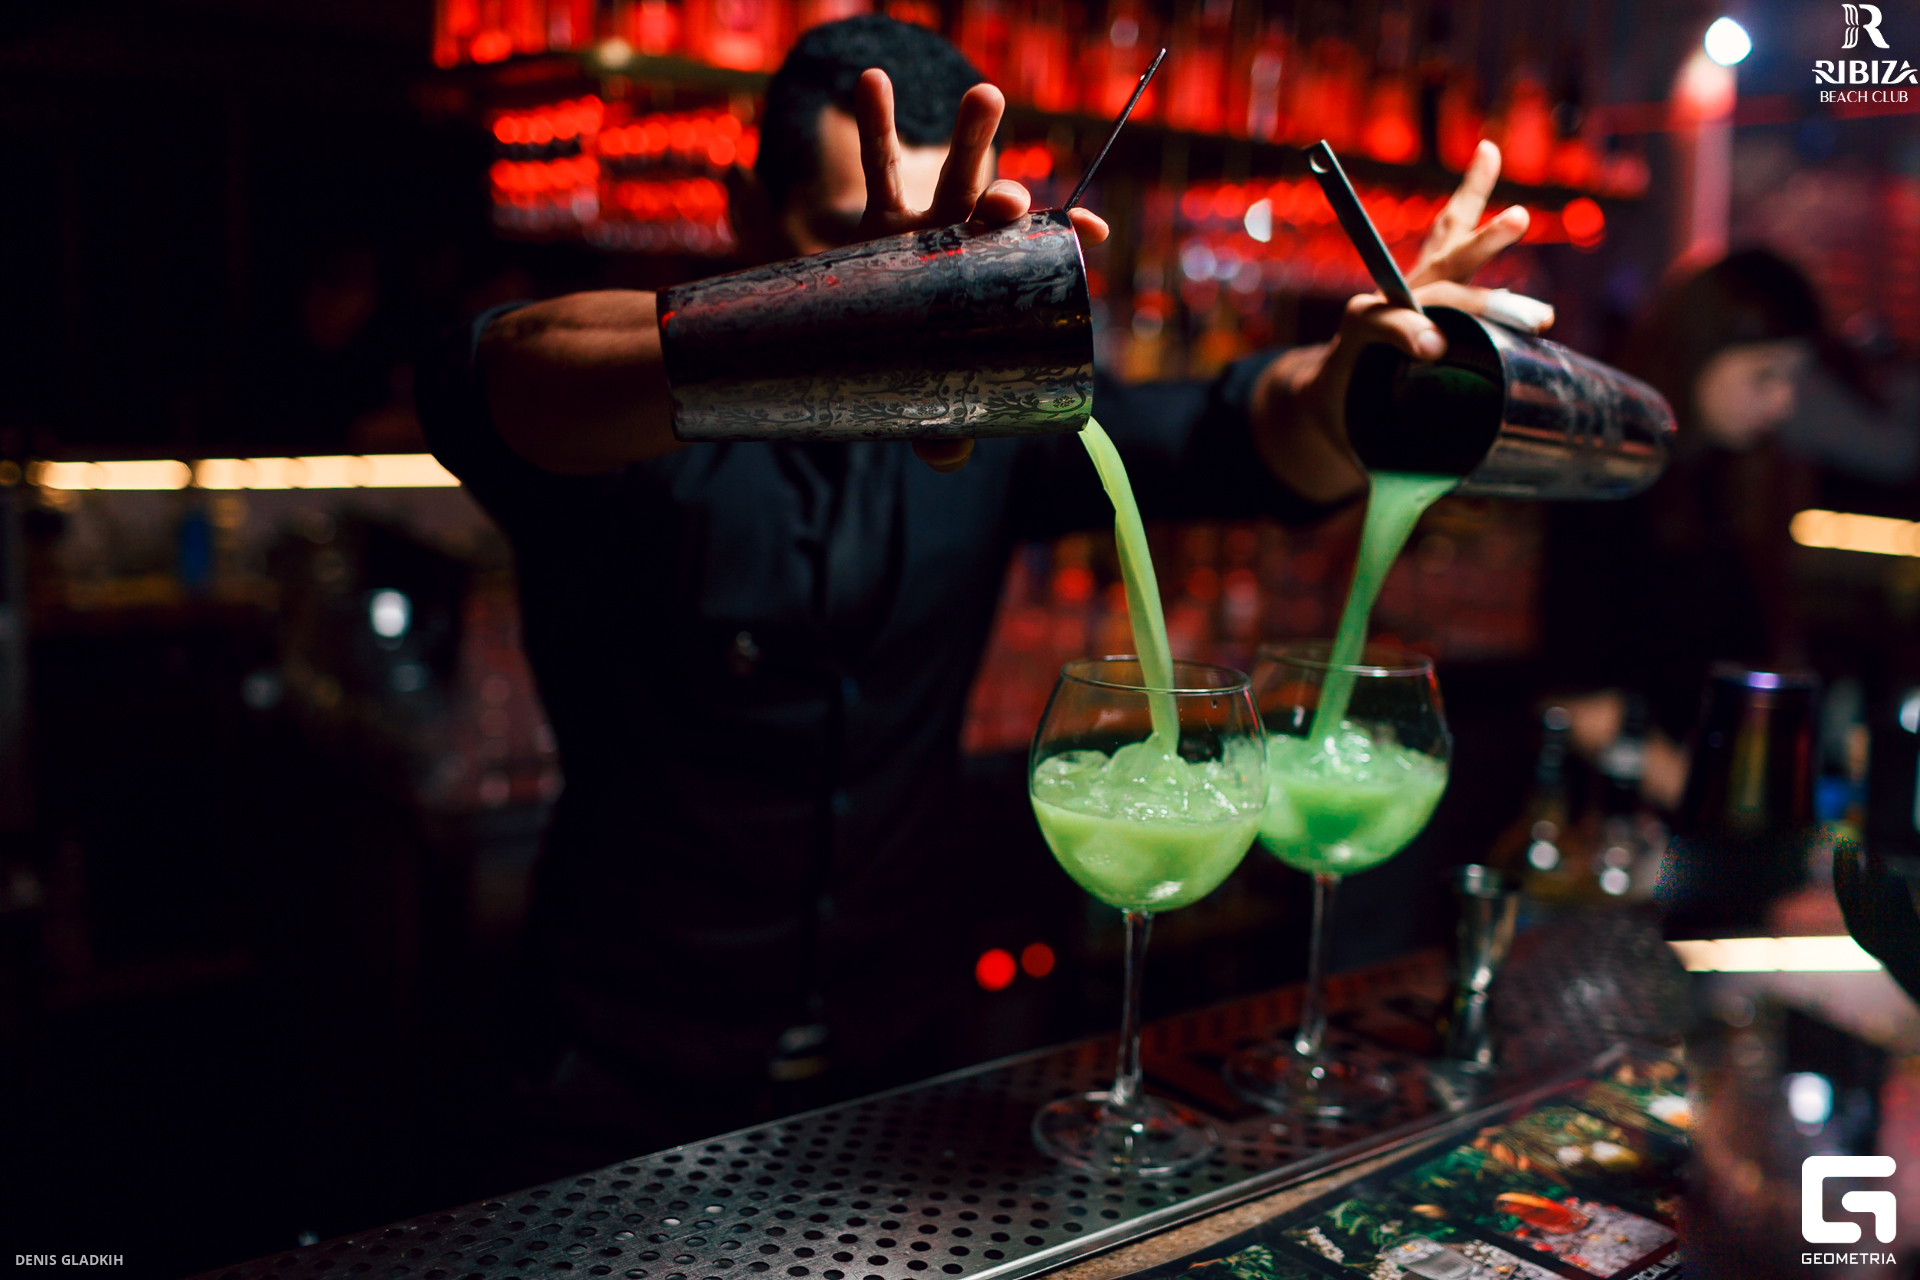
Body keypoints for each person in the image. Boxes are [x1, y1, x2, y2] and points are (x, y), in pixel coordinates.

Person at [418, 14, 1536, 1166]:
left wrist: (1351, 381)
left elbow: (1239, 437)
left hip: (899, 1056)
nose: (903, 291)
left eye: (935, 261)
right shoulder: (628, 440)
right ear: (744, 212)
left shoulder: (995, 429)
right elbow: (490, 376)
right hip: (616, 1067)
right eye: (845, 244)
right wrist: (842, 321)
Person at [1540, 249, 1829, 808]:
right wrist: (1716, 809)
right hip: (1604, 812)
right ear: (1700, 352)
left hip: (1687, 812)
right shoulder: (1608, 477)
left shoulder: (1732, 476)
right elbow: (1581, 701)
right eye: (1765, 375)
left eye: (1793, 379)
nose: (1783, 401)